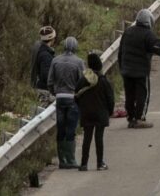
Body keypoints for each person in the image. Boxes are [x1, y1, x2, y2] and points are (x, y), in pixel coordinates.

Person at [47, 36, 85, 169]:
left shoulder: (55, 60)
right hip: (72, 98)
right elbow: (82, 82)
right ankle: (71, 159)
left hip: (59, 98)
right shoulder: (79, 62)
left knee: (61, 128)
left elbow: (50, 81)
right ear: (75, 47)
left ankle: (62, 160)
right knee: (71, 129)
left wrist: (55, 93)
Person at [75, 52, 113, 171]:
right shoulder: (104, 81)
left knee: (87, 138)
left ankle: (83, 164)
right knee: (99, 138)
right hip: (101, 114)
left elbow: (76, 96)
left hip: (86, 113)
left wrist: (81, 108)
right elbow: (110, 99)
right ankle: (99, 163)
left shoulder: (82, 80)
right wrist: (109, 111)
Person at [29, 25, 56, 94]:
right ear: (52, 39)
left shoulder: (39, 48)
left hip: (38, 86)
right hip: (44, 90)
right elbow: (46, 76)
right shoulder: (46, 55)